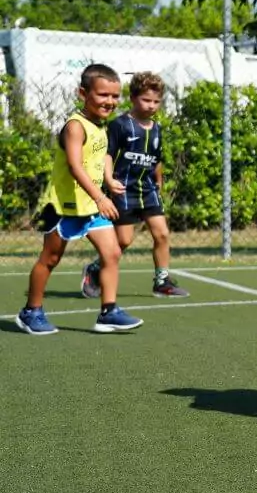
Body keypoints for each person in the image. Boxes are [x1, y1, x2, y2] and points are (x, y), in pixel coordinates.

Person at [16, 64, 144, 335]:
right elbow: (76, 166)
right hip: (65, 207)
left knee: (111, 253)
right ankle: (31, 311)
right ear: (83, 93)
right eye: (103, 95)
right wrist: (100, 197)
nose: (110, 101)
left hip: (91, 207)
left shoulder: (101, 127)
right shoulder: (75, 126)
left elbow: (99, 160)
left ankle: (108, 312)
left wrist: (108, 181)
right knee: (50, 259)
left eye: (114, 96)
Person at [81, 71, 189, 300]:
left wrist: (159, 181)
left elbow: (156, 159)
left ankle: (162, 281)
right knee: (124, 241)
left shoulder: (157, 129)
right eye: (146, 100)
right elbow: (107, 155)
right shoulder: (120, 125)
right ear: (133, 98)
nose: (151, 105)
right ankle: (94, 269)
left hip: (148, 190)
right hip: (124, 190)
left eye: (156, 101)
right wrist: (109, 180)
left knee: (162, 234)